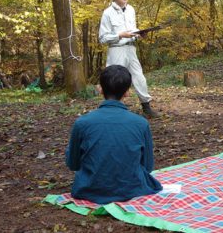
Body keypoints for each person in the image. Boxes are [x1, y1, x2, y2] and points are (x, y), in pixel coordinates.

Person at [66, 65, 162, 204]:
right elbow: (147, 166)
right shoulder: (141, 123)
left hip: (89, 190)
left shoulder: (82, 123)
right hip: (132, 190)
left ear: (100, 89)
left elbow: (73, 164)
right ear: (127, 92)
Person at [99, 0, 159, 118]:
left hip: (131, 49)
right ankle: (112, 111)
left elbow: (133, 29)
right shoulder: (107, 13)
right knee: (114, 80)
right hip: (116, 49)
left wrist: (139, 33)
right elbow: (102, 38)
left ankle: (146, 106)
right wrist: (120, 35)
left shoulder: (131, 9)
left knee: (139, 77)